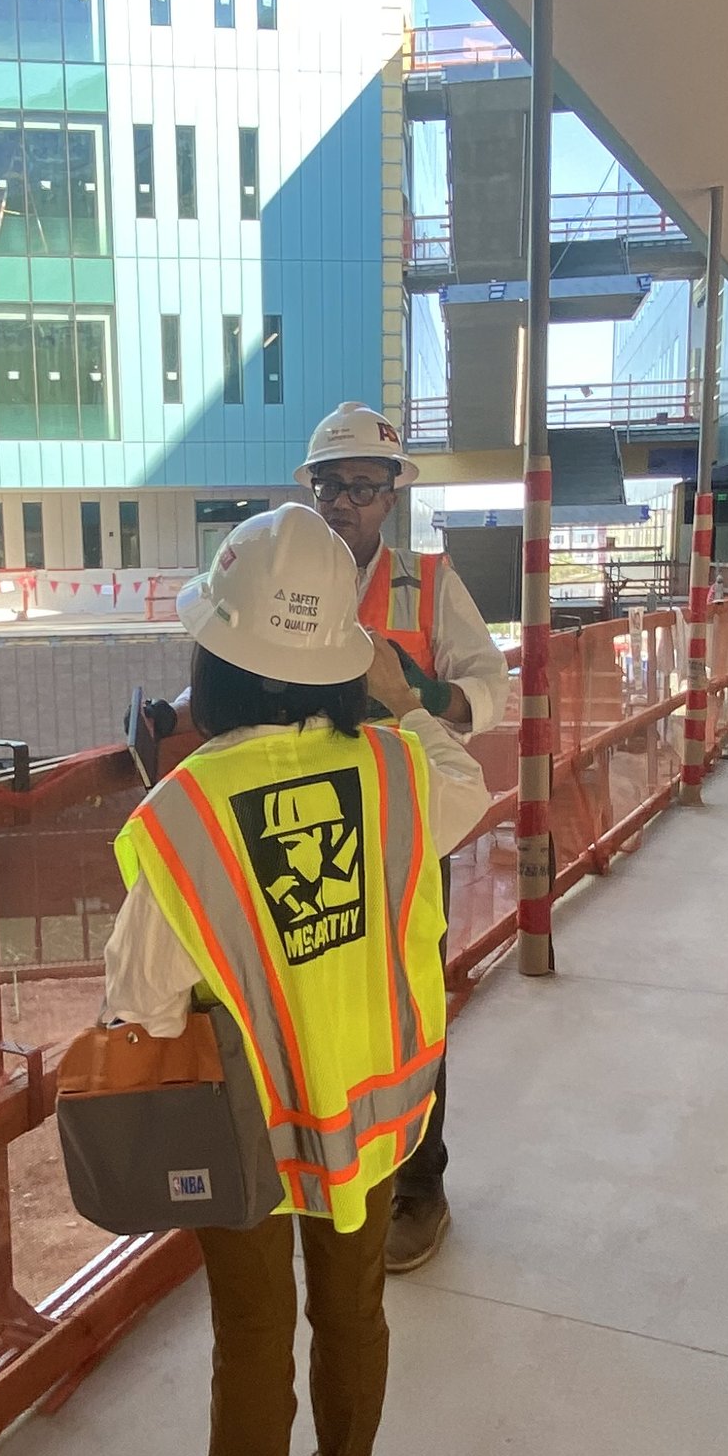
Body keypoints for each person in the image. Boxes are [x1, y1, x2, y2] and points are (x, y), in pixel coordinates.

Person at [101, 505, 488, 1456]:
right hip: (369, 1115)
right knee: (355, 1314)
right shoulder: (401, 772)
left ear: (211, 660)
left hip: (249, 1134)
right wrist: (399, 696)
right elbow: (456, 762)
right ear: (346, 666)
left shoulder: (184, 814)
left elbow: (139, 997)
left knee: (253, 1336)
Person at [296, 401, 508, 1273]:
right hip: (312, 827)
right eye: (331, 486)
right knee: (325, 1003)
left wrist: (428, 700)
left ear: (391, 496)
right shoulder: (282, 573)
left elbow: (490, 680)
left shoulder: (426, 579)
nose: (345, 502)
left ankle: (422, 1189)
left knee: (412, 1005)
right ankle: (342, 1168)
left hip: (412, 822)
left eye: (362, 488)